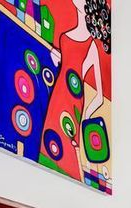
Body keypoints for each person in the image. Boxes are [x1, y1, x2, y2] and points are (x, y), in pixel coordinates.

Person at [39, 0, 111, 181]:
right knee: (51, 137)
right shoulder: (64, 36)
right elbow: (66, 64)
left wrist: (86, 116)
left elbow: (100, 96)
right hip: (58, 95)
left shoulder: (91, 45)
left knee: (68, 142)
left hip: (74, 99)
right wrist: (55, 55)